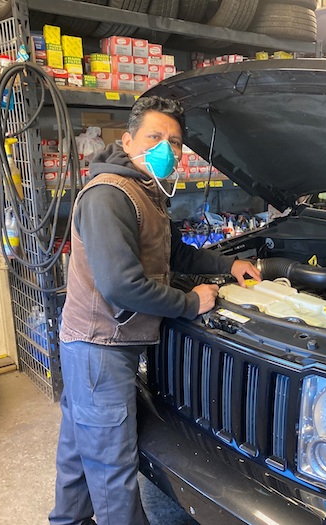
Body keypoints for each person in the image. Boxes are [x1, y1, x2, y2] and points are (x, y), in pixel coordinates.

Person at [49, 96, 260, 525]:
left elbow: (173, 254)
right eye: (155, 137)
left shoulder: (145, 189)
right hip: (99, 347)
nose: (168, 148)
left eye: (176, 142)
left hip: (97, 344)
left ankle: (67, 520)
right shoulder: (109, 196)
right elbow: (120, 285)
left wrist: (228, 265)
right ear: (127, 142)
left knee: (79, 448)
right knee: (113, 470)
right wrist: (188, 303)